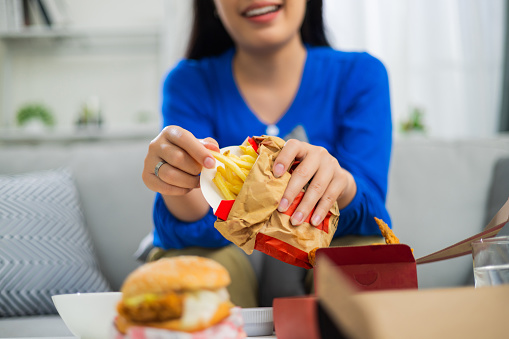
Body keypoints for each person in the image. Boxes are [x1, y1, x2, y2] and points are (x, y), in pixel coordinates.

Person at [141, 0, 392, 307]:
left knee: (362, 265)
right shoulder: (189, 84)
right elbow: (193, 233)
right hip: (219, 257)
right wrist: (175, 181)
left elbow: (373, 219)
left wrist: (340, 184)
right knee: (189, 278)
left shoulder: (360, 75)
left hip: (330, 251)